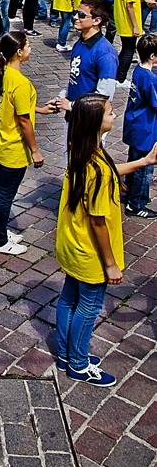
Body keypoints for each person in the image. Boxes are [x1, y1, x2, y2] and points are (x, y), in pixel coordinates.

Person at [55, 93, 157, 386]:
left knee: (68, 299)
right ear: (96, 123)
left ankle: (64, 353)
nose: (115, 117)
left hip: (72, 245)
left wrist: (144, 161)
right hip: (90, 253)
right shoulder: (96, 167)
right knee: (89, 307)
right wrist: (110, 264)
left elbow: (111, 173)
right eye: (110, 113)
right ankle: (77, 362)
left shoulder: (80, 151)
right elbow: (99, 221)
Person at [0, 31, 56, 255]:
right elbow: (24, 120)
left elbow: (17, 107)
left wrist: (40, 108)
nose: (30, 50)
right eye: (28, 46)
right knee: (5, 195)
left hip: (0, 140)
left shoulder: (4, 72)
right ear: (19, 51)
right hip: (14, 146)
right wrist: (35, 151)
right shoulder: (22, 83)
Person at [59, 0, 118, 115]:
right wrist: (60, 98)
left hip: (89, 121)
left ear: (96, 21)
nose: (75, 17)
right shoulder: (80, 43)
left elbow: (104, 95)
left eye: (81, 15)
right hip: (73, 116)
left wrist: (71, 105)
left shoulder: (105, 53)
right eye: (76, 13)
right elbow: (75, 78)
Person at [121, 33, 157, 219]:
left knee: (133, 161)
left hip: (134, 125)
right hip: (146, 129)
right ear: (152, 56)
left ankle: (128, 193)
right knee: (145, 167)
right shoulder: (151, 79)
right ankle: (137, 204)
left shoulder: (137, 70)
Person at [114, 0, 142, 85]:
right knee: (129, 50)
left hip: (121, 19)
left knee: (125, 48)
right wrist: (136, 26)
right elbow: (130, 6)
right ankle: (121, 78)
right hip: (128, 22)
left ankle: (116, 73)